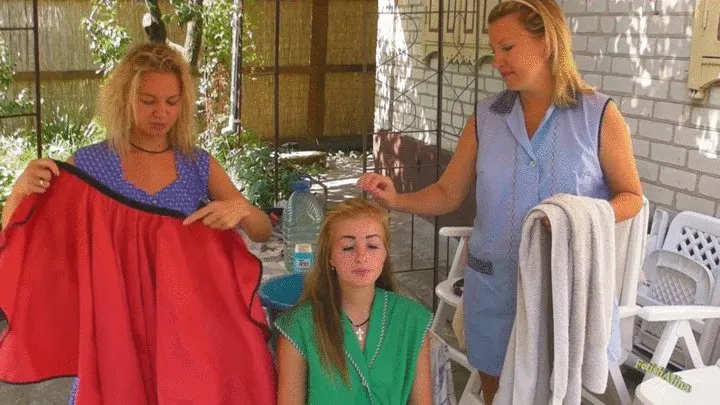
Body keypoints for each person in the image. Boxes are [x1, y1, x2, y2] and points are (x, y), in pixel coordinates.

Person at [356, 0, 643, 403]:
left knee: (558, 393)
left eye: (507, 48)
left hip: (563, 293)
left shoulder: (598, 115)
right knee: (495, 392)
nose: (497, 61)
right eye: (495, 50)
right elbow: (446, 193)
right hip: (493, 288)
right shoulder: (485, 119)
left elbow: (632, 197)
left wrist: (575, 217)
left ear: (546, 42)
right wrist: (395, 200)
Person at [0, 42, 274, 403]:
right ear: (124, 99)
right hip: (115, 324)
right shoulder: (89, 164)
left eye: (171, 102)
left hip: (187, 324)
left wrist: (241, 210)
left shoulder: (197, 164)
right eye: (148, 100)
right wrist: (19, 193)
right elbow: (26, 237)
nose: (161, 112)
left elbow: (262, 230)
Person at [274, 198, 432, 405]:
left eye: (373, 245)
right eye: (348, 247)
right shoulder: (299, 327)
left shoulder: (412, 320)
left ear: (385, 253)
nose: (361, 256)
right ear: (329, 257)